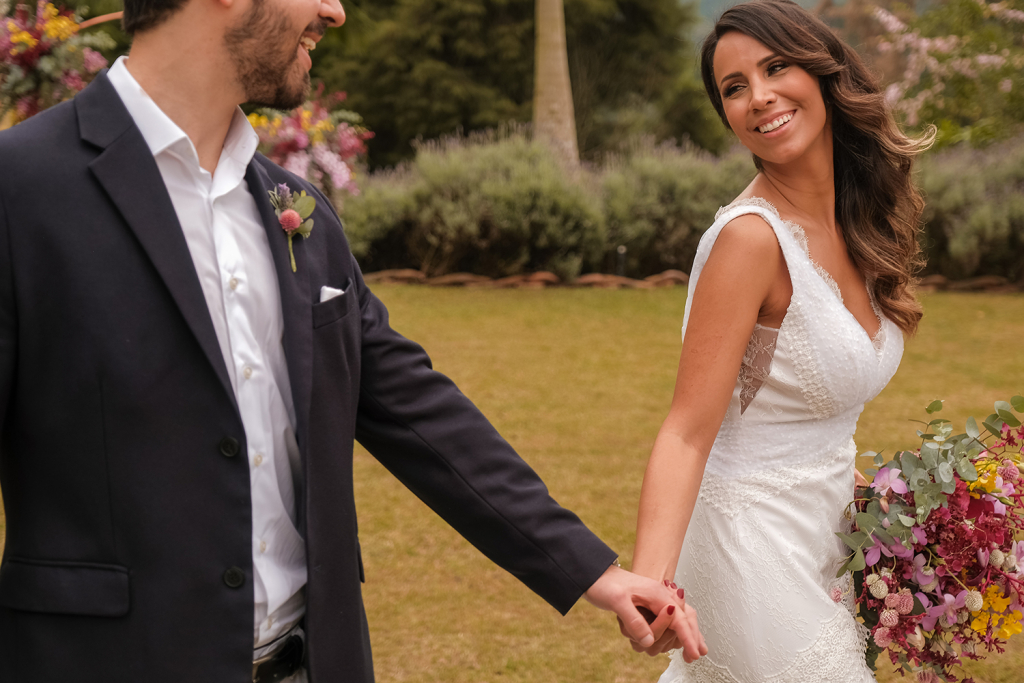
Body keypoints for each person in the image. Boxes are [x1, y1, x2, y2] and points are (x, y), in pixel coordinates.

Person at [0, 0, 707, 680]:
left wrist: (592, 569)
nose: (335, 12)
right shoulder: (20, 189)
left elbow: (414, 410)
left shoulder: (294, 207)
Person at [628, 0, 934, 680]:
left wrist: (894, 503)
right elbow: (685, 430)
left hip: (827, 541)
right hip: (749, 546)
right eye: (734, 88)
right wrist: (647, 584)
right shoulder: (748, 239)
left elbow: (803, 415)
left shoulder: (853, 224)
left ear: (824, 74)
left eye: (775, 68)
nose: (758, 96)